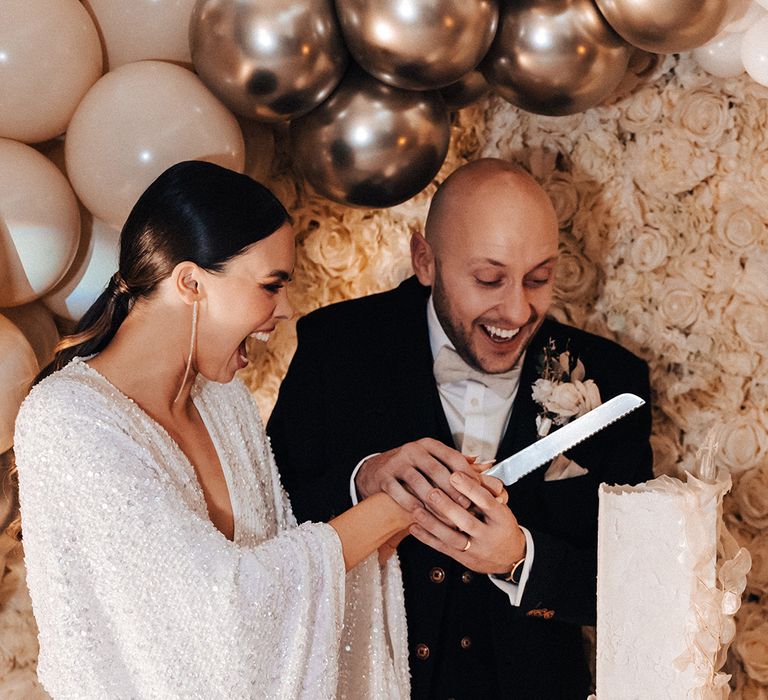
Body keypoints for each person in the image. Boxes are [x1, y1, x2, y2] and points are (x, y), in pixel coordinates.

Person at [13, 161, 503, 699]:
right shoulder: (67, 421)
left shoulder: (225, 401)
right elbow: (223, 612)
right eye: (271, 286)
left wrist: (393, 501)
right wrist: (397, 507)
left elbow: (287, 568)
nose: (286, 310)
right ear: (190, 282)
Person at [268, 158, 654, 698]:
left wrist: (522, 559)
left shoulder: (611, 383)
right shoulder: (336, 346)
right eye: (489, 279)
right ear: (424, 260)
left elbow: (635, 590)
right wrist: (364, 479)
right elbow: (269, 528)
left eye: (539, 278)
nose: (518, 310)